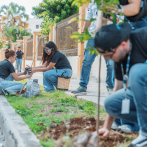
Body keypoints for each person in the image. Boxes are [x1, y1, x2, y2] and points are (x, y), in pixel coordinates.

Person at [94, 22, 147, 147]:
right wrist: (106, 127)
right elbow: (118, 88)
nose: (108, 59)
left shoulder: (144, 37)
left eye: (109, 55)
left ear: (123, 44)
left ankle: (145, 135)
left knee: (137, 72)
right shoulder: (119, 58)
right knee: (111, 104)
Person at [72, 0, 114, 95]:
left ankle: (110, 87)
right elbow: (88, 19)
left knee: (110, 64)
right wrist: (83, 33)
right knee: (87, 61)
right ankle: (82, 86)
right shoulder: (92, 2)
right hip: (92, 36)